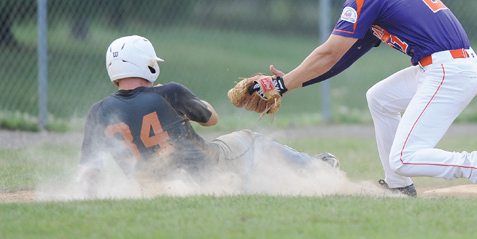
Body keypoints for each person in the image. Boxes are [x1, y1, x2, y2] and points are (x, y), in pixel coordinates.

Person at [263, 0, 477, 199]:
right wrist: (291, 82)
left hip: (448, 70)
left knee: (404, 157)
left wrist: (281, 85)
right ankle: (399, 185)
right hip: (446, 66)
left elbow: (329, 53)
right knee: (380, 98)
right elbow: (340, 59)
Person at [76, 35, 340, 197]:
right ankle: (317, 167)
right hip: (206, 170)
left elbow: (87, 174)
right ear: (147, 65)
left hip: (152, 187)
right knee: (251, 140)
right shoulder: (168, 92)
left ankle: (260, 182)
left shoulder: (98, 112)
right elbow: (211, 118)